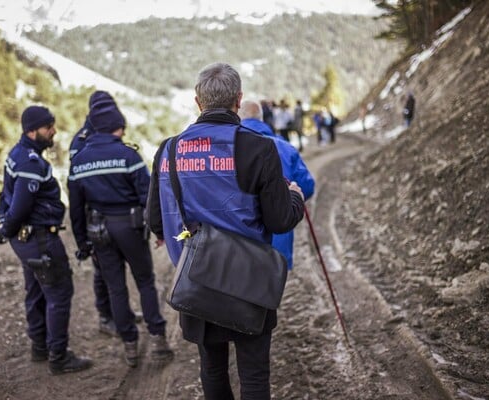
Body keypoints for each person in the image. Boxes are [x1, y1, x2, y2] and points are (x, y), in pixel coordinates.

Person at [147, 62, 305, 400]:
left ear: (197, 102)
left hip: (198, 279)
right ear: (238, 99)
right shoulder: (258, 147)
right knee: (254, 375)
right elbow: (279, 220)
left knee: (213, 369)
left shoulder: (169, 150)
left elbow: (156, 221)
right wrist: (295, 198)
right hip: (248, 281)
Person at [67, 95, 173, 368]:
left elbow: (76, 208)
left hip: (99, 230)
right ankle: (159, 339)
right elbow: (147, 196)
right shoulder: (128, 155)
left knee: (116, 288)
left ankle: (130, 347)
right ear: (117, 127)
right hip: (129, 227)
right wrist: (158, 229)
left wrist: (83, 243)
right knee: (145, 282)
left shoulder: (79, 161)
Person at [0, 105, 92, 375]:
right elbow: (21, 204)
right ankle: (58, 357)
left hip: (26, 241)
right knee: (59, 292)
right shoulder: (31, 162)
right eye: (48, 127)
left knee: (35, 290)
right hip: (40, 238)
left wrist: (4, 227)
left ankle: (40, 347)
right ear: (32, 131)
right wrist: (6, 228)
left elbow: (5, 195)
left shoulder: (17, 153)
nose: (53, 131)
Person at [238, 99, 315, 270]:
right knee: (273, 293)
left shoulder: (229, 149)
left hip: (240, 245)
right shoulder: (285, 147)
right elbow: (307, 186)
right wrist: (294, 198)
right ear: (262, 118)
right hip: (278, 243)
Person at [69, 90, 116, 337]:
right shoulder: (80, 141)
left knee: (115, 269)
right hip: (93, 215)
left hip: (114, 212)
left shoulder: (105, 132)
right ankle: (105, 317)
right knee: (101, 269)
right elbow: (76, 186)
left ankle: (119, 312)